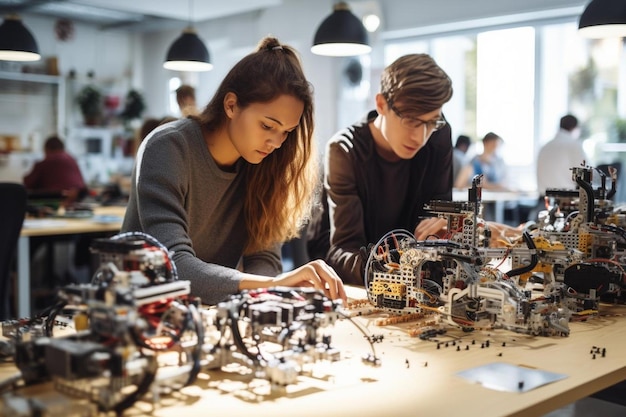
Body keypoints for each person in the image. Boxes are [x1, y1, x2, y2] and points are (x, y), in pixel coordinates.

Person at [122, 36, 346, 306]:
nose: (276, 143)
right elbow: (173, 267)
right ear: (231, 105)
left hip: (203, 314)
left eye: (286, 132)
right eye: (267, 126)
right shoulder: (168, 148)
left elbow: (264, 258)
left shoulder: (263, 165)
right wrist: (273, 285)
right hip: (131, 312)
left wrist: (268, 293)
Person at [306, 53, 454, 286]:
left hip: (410, 276)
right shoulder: (344, 149)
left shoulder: (439, 136)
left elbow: (441, 210)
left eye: (431, 122)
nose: (420, 136)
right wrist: (396, 270)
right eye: (411, 121)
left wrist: (445, 226)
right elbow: (344, 250)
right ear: (381, 104)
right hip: (349, 274)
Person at [23, 135, 87, 205]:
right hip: (78, 199)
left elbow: (28, 183)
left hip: (56, 199)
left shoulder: (46, 162)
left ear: (47, 149)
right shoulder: (72, 159)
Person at [536, 114, 587, 197]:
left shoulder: (545, 146)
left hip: (543, 201)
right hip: (566, 201)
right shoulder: (573, 145)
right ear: (575, 128)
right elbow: (583, 176)